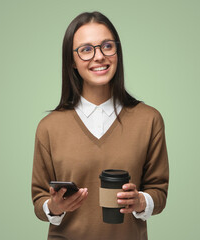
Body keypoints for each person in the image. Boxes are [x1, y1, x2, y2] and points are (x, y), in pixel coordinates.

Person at [31, 11, 169, 240]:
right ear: (72, 62)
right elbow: (39, 200)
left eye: (107, 46)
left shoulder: (149, 120)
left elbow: (159, 192)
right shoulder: (49, 127)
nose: (99, 56)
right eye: (86, 49)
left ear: (117, 51)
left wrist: (141, 200)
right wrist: (54, 206)